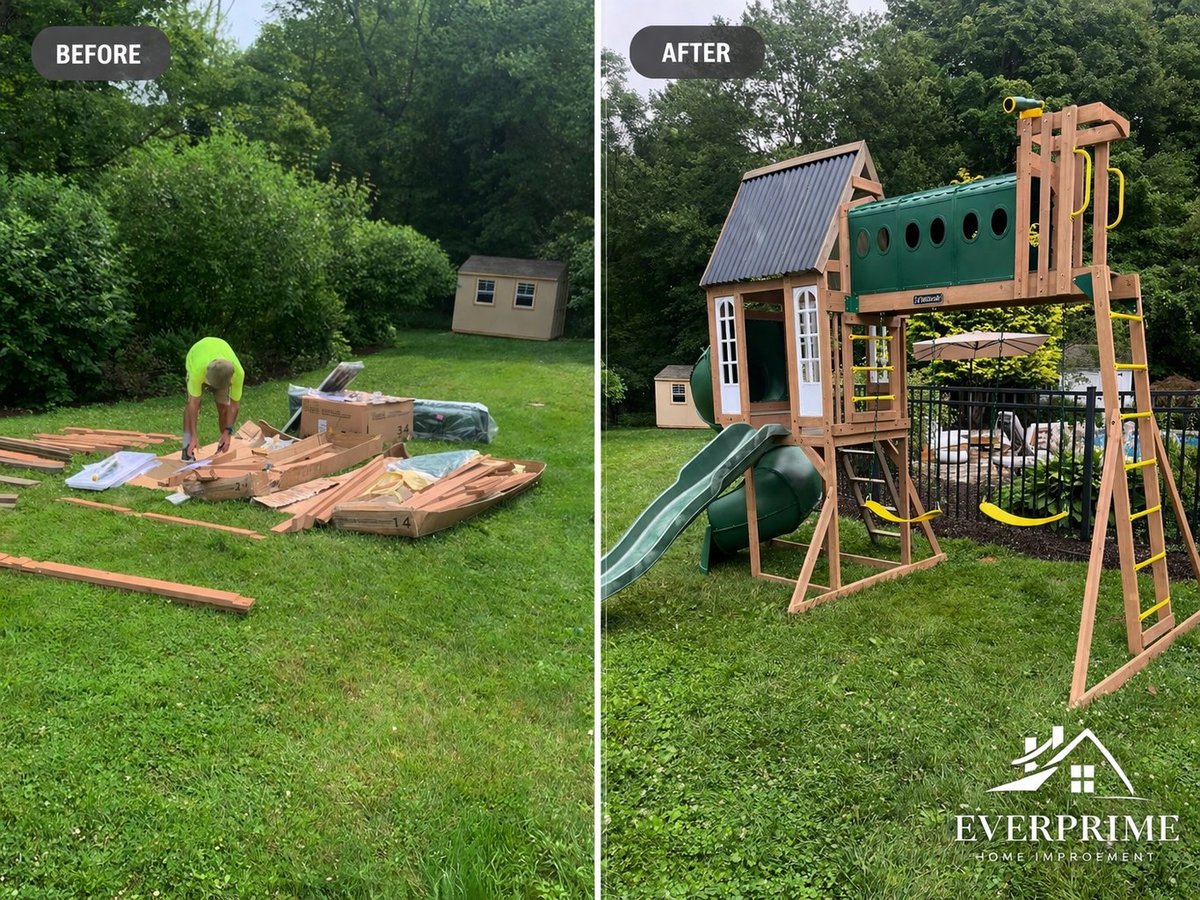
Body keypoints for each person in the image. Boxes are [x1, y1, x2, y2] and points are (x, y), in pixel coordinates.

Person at [182, 337, 245, 460]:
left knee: (224, 406)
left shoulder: (238, 373)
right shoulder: (197, 371)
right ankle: (187, 445)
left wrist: (228, 431)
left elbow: (234, 405)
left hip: (220, 368)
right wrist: (194, 436)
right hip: (196, 356)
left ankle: (223, 444)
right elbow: (193, 405)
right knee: (193, 404)